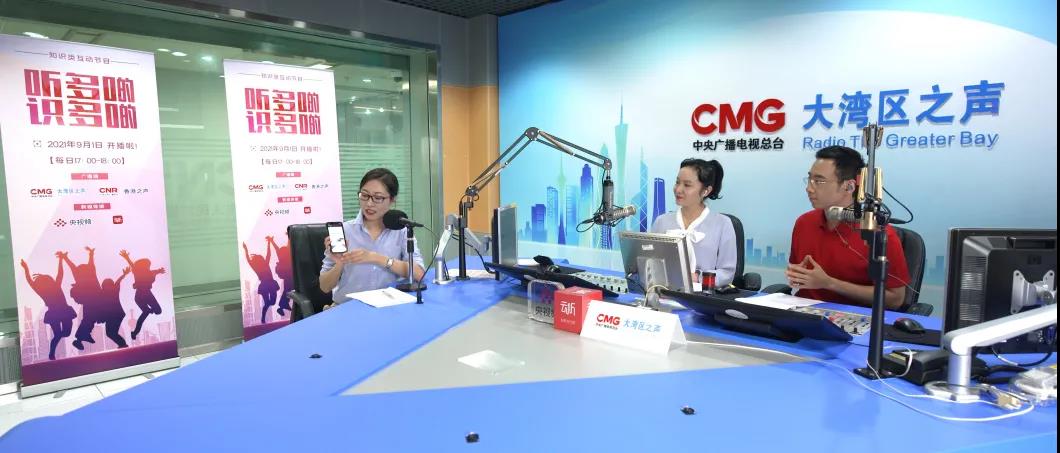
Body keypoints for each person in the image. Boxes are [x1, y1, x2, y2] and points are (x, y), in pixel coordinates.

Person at [785, 145, 910, 310]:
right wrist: (798, 276)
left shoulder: (878, 234)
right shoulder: (804, 222)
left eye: (819, 181)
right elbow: (799, 276)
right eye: (809, 179)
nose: (809, 188)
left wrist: (829, 283)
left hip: (854, 318)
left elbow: (895, 299)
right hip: (803, 312)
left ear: (849, 186)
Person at [319, 168, 425, 305]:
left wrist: (377, 258)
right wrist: (340, 263)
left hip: (389, 307)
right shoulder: (345, 231)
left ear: (392, 199)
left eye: (378, 198)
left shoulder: (402, 230)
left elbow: (419, 274)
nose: (369, 203)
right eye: (365, 195)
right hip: (348, 307)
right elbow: (324, 287)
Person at [650, 158, 738, 287]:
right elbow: (650, 261)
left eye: (687, 185)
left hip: (704, 294)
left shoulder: (723, 224)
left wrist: (697, 277)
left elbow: (727, 273)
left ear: (706, 191)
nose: (678, 189)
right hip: (664, 291)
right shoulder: (662, 221)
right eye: (677, 182)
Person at [21, 253, 76, 360]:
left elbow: (30, 281)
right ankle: (52, 353)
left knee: (63, 334)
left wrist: (26, 268)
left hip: (59, 312)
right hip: (59, 312)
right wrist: (61, 260)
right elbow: (60, 274)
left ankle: (52, 352)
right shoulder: (52, 287)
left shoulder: (49, 289)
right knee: (61, 334)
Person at [119, 249, 166, 340]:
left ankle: (135, 332)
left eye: (149, 265)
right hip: (141, 295)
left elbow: (155, 271)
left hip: (144, 295)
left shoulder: (150, 272)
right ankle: (136, 330)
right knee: (150, 312)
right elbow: (132, 265)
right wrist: (127, 257)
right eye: (148, 265)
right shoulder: (138, 271)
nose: (149, 267)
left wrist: (159, 271)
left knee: (155, 311)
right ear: (143, 266)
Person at [243, 238, 279, 324]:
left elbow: (268, 254)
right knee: (269, 303)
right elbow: (268, 254)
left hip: (269, 284)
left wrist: (246, 249)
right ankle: (263, 317)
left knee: (271, 302)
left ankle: (263, 315)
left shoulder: (264, 264)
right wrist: (246, 249)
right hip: (266, 284)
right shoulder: (259, 266)